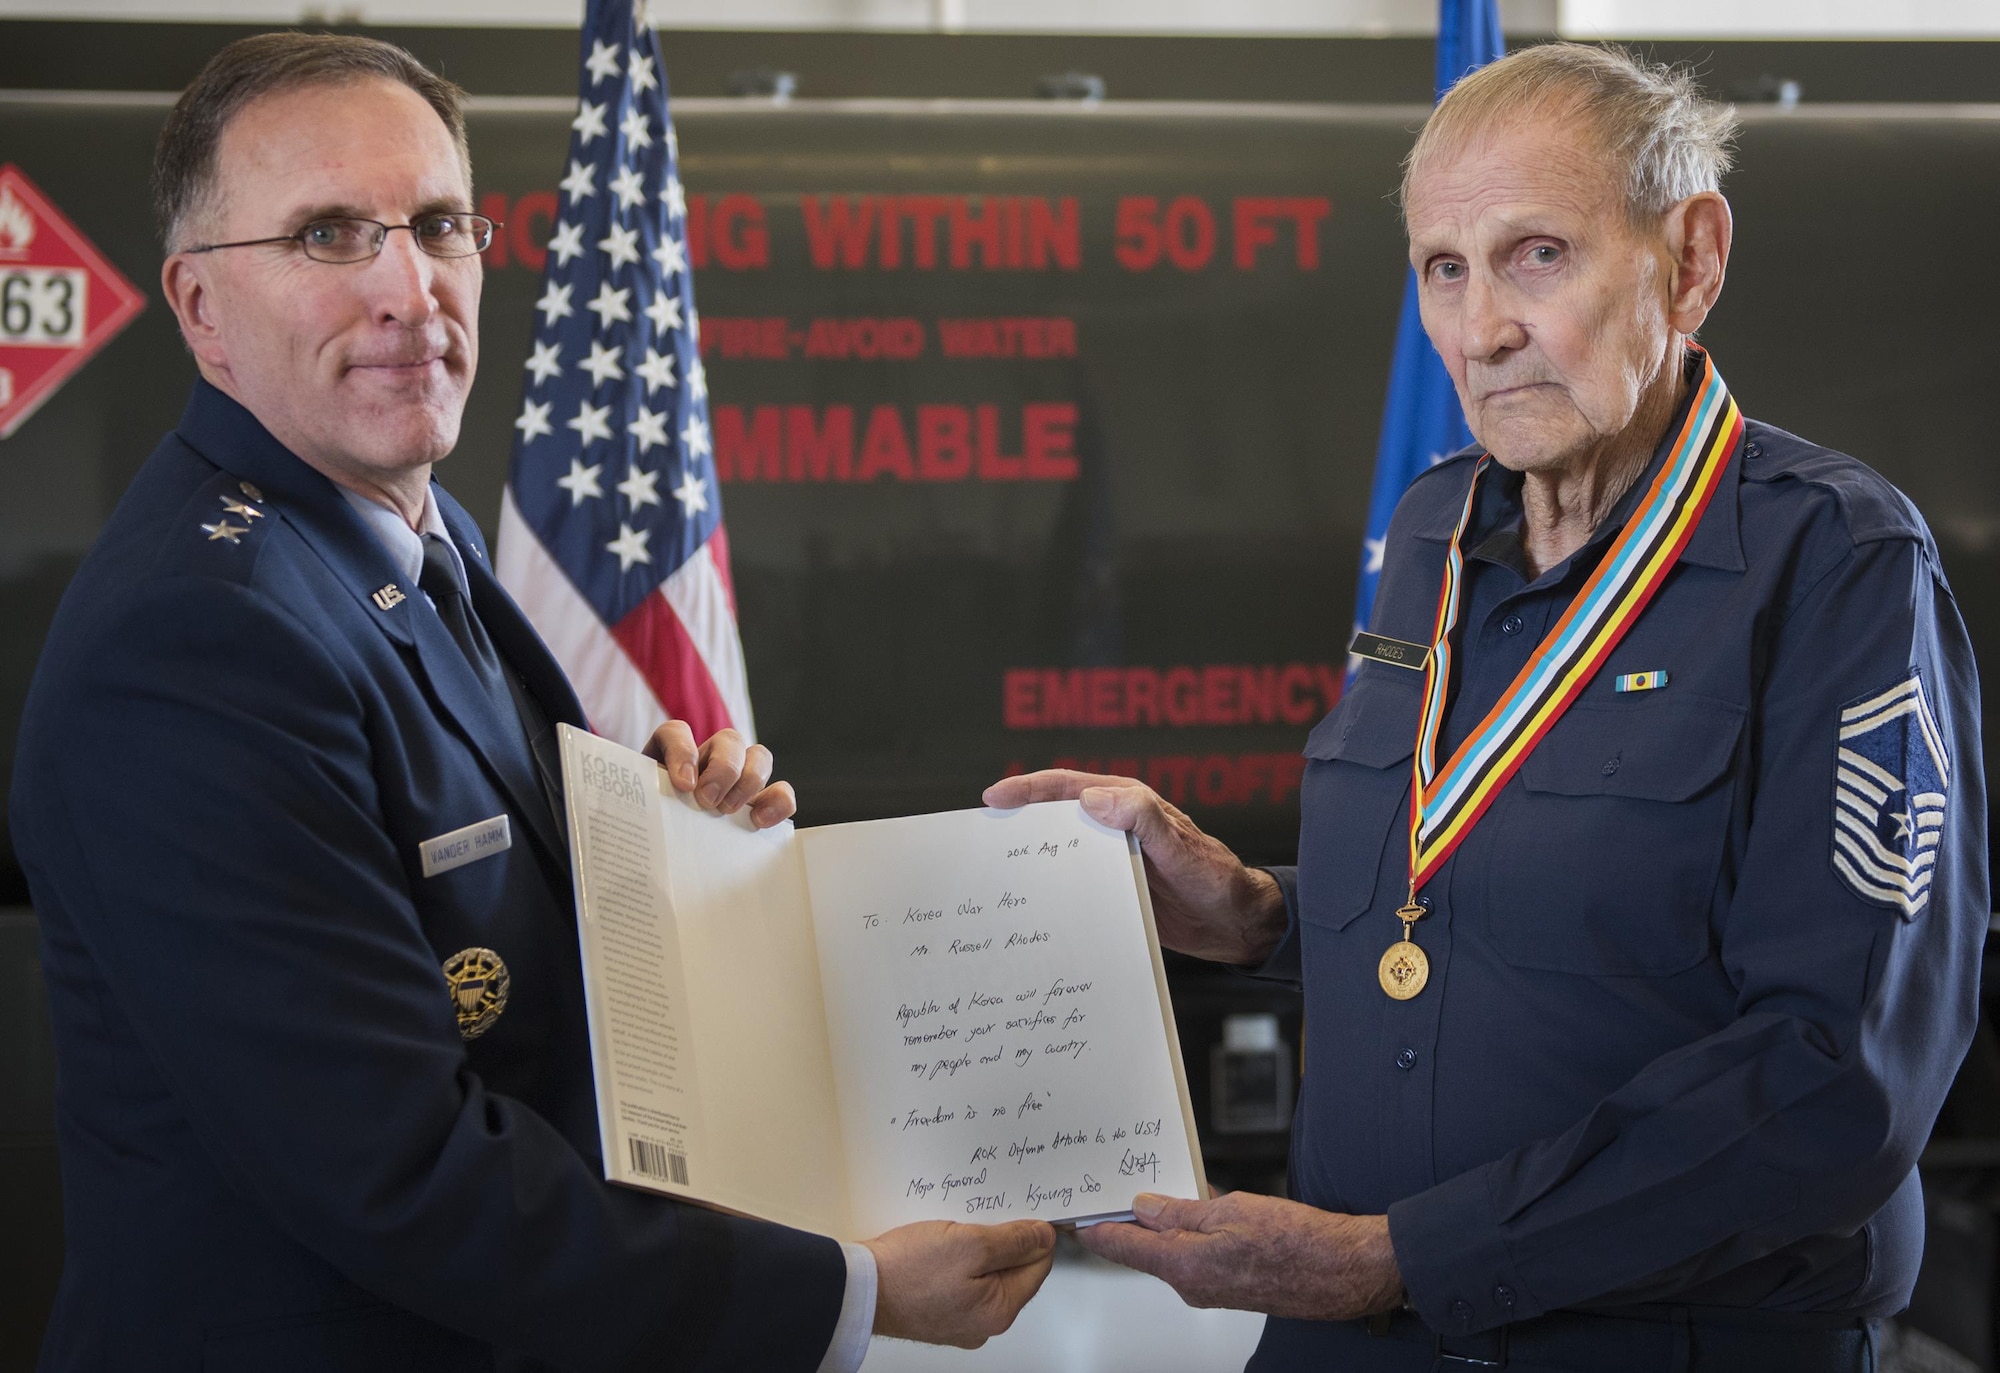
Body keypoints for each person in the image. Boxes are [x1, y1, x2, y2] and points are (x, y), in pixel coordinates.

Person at [10, 32, 1053, 1372]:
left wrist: (657, 852)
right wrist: (847, 1293)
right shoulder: (199, 638)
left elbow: (499, 968)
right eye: (329, 233)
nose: (410, 286)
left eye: (441, 224)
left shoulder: (411, 537)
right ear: (201, 307)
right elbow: (402, 1173)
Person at [988, 42, 1987, 1372]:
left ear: (1689, 261)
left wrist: (1397, 1257)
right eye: (1443, 270)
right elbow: (1497, 901)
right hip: (1352, 1338)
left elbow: (1838, 1077)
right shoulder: (1434, 530)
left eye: (1537, 256)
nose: (1479, 330)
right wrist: (1258, 913)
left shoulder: (1842, 564)